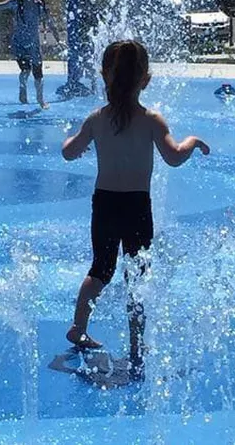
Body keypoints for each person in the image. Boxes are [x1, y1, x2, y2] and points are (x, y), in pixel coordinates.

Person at [61, 40, 210, 380]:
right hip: (136, 206)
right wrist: (192, 141)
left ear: (104, 77)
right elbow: (173, 157)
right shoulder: (151, 120)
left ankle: (78, 327)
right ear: (146, 79)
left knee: (100, 269)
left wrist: (68, 140)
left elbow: (69, 153)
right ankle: (136, 343)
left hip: (105, 202)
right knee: (137, 278)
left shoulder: (97, 119)